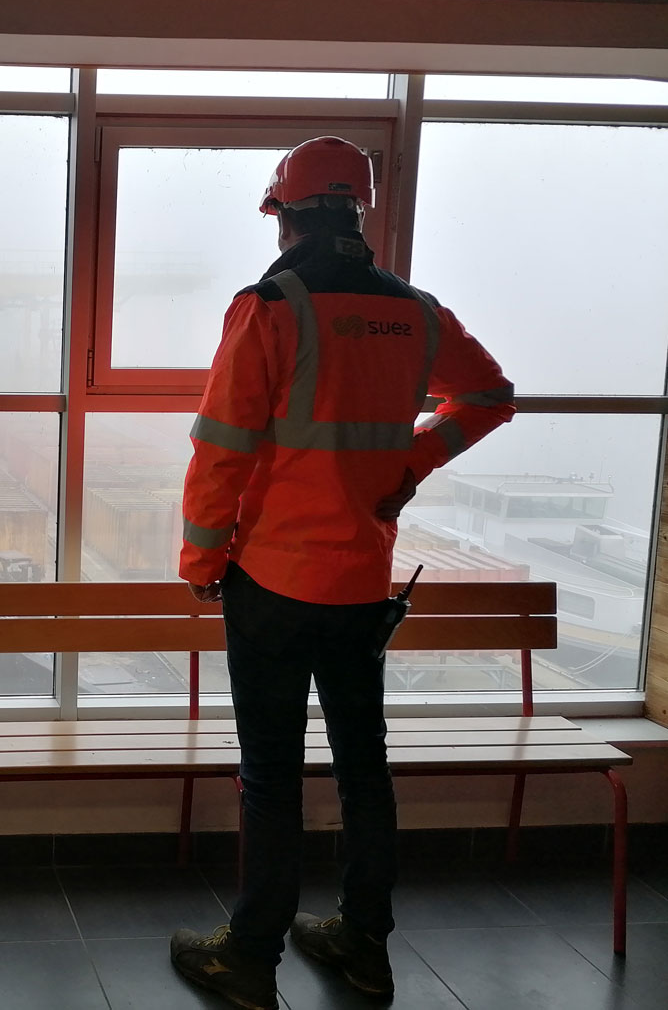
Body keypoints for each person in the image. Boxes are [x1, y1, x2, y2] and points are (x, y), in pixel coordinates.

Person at [169, 138, 515, 1010]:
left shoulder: (271, 306)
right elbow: (491, 395)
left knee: (269, 775)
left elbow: (221, 450)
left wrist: (202, 562)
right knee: (366, 768)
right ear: (357, 213)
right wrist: (412, 462)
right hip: (364, 585)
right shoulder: (416, 311)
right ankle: (364, 943)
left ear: (284, 215)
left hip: (274, 585)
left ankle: (249, 956)